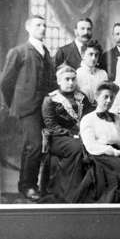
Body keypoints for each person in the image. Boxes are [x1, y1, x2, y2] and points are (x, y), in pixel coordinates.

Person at [0, 15, 56, 200]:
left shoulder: (46, 52)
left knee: (34, 146)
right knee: (35, 145)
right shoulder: (19, 51)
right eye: (38, 25)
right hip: (27, 106)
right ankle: (29, 186)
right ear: (28, 28)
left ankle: (30, 184)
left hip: (44, 106)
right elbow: (5, 82)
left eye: (45, 25)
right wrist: (14, 103)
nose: (43, 28)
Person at [41, 65, 94, 202]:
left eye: (73, 79)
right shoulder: (50, 99)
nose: (71, 83)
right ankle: (71, 192)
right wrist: (72, 135)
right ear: (59, 81)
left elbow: (89, 118)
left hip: (82, 135)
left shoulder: (81, 97)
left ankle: (89, 190)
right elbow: (51, 125)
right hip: (59, 138)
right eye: (67, 79)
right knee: (77, 148)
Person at [76, 39, 108, 105]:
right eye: (90, 54)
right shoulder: (77, 74)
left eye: (96, 55)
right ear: (82, 55)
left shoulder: (102, 74)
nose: (93, 58)